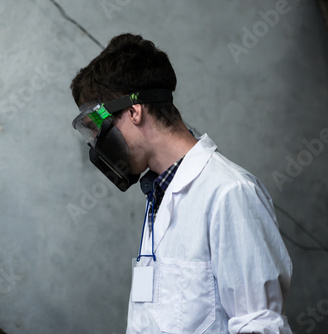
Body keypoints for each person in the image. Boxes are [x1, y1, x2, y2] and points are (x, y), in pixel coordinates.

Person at [70, 33, 293, 334]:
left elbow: (258, 324)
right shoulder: (158, 194)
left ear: (134, 111)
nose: (98, 142)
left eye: (98, 128)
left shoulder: (229, 193)